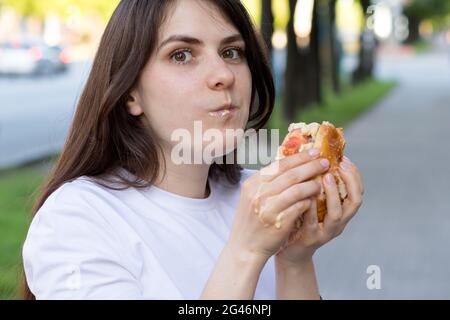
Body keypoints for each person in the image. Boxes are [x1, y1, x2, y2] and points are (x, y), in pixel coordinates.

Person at [22, 0, 364, 300]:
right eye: (181, 55)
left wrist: (294, 259)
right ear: (130, 94)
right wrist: (245, 252)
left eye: (232, 52)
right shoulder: (77, 220)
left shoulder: (256, 199)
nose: (223, 75)